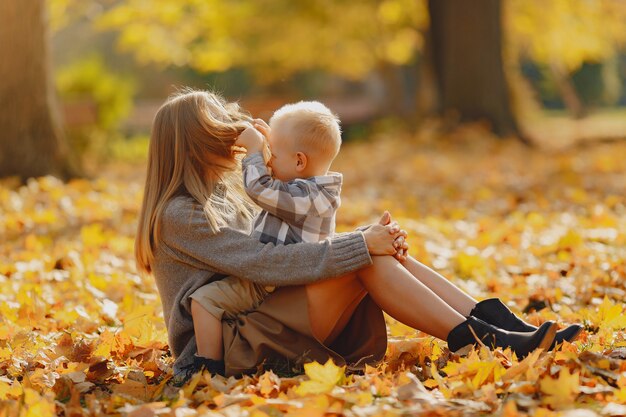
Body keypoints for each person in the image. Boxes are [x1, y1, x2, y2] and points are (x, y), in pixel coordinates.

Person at [135, 89, 583, 382]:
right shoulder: (180, 214)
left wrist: (364, 240)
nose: (239, 137)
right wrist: (360, 244)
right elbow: (265, 262)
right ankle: (483, 339)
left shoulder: (220, 196)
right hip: (226, 349)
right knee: (365, 255)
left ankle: (500, 327)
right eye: (224, 131)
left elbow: (285, 241)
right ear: (197, 145)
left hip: (256, 314)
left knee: (373, 250)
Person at [188, 101, 350, 372]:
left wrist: (253, 151)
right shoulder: (309, 189)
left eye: (272, 154)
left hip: (275, 282)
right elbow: (275, 178)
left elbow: (259, 188)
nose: (267, 161)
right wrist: (268, 142)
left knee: (203, 300)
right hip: (277, 276)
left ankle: (207, 368)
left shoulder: (307, 197)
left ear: (299, 160)